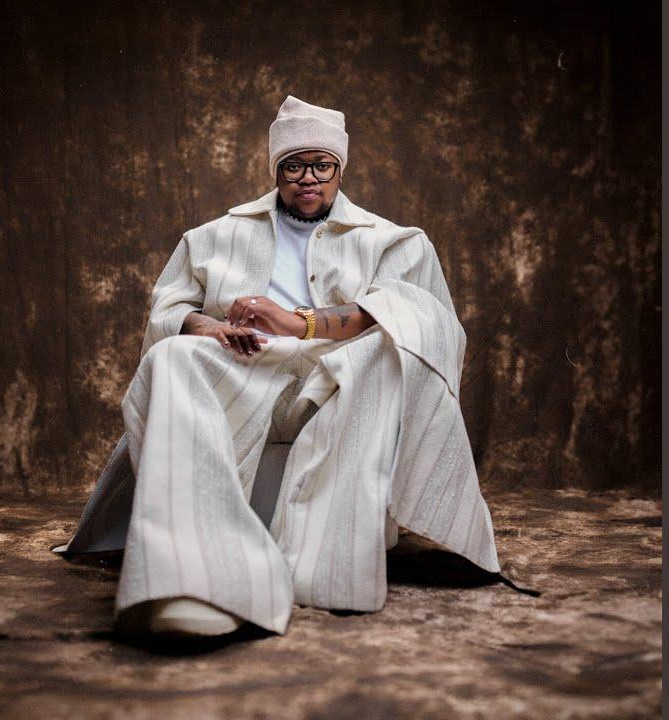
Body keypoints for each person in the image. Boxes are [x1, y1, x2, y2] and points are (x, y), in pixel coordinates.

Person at [57, 95, 501, 638]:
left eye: (322, 165)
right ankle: (192, 582)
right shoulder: (214, 236)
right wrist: (212, 328)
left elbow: (418, 316)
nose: (308, 177)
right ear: (276, 169)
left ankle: (318, 564)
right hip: (242, 370)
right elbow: (169, 310)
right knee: (172, 354)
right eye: (294, 165)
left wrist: (299, 323)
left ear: (340, 169)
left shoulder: (393, 242)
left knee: (394, 344)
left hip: (339, 384)